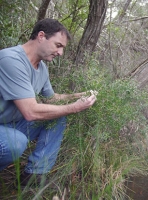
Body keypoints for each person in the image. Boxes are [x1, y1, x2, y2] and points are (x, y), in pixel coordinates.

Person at [0, 18, 96, 186]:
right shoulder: (10, 60)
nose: (60, 53)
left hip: (12, 124)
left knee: (57, 116)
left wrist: (77, 96)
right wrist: (74, 108)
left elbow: (51, 98)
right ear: (41, 36)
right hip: (6, 128)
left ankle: (33, 177)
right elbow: (31, 112)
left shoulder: (41, 68)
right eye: (58, 45)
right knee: (16, 143)